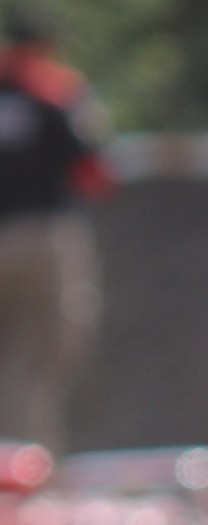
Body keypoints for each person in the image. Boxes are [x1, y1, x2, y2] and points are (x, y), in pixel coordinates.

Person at [0, 8, 108, 454]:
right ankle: (28, 463)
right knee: (44, 357)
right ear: (47, 45)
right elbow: (95, 172)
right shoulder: (56, 88)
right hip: (45, 237)